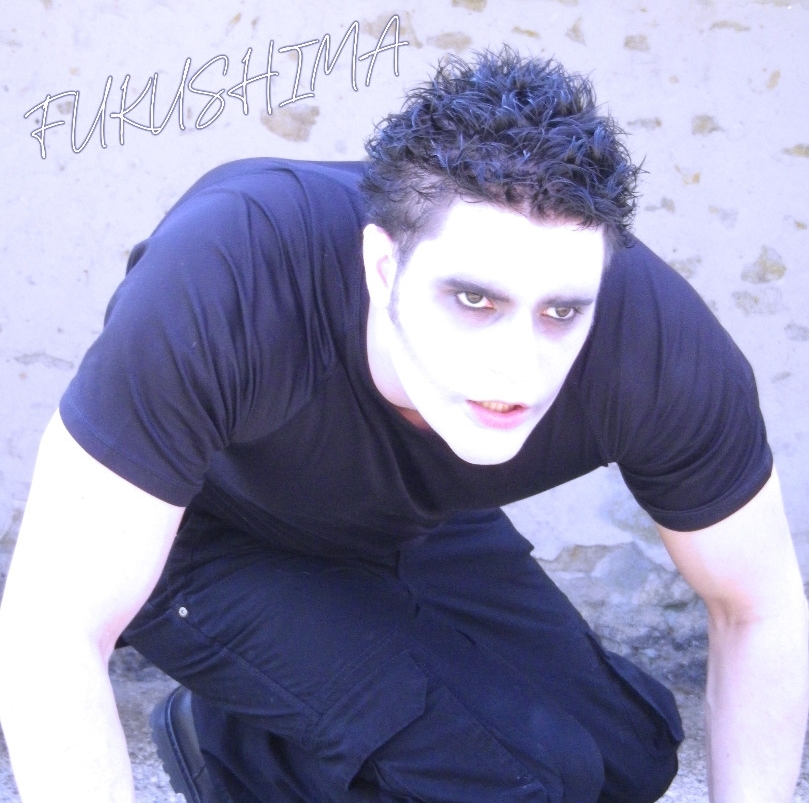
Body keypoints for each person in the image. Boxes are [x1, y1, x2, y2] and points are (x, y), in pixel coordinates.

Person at [0, 48, 806, 803]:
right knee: (518, 779)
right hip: (200, 538)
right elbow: (52, 625)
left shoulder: (657, 348)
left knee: (628, 754)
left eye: (560, 312)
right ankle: (241, 748)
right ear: (382, 266)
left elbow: (756, 609)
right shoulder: (229, 274)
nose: (519, 366)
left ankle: (253, 726)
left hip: (402, 522)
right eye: (473, 299)